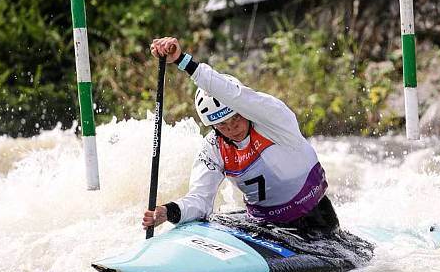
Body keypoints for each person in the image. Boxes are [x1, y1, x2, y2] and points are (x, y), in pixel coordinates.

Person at [142, 37, 340, 240]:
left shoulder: (273, 119)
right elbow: (200, 200)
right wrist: (168, 212)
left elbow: (234, 96)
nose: (232, 128)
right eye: (222, 125)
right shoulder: (213, 149)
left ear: (243, 110)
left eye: (235, 117)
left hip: (316, 220)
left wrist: (183, 61)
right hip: (264, 226)